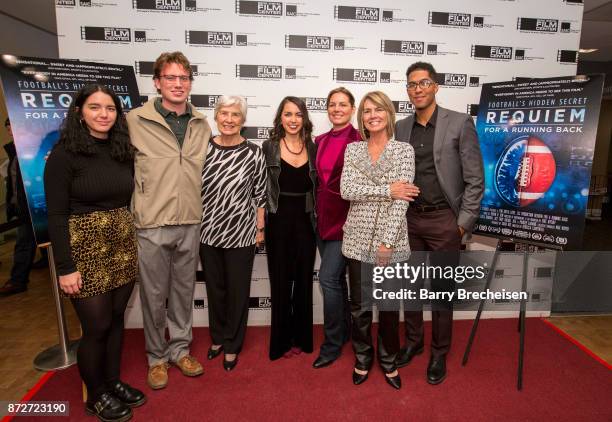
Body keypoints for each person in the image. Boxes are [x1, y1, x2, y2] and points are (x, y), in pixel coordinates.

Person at [44, 84, 145, 422]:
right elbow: (55, 216)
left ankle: (113, 382)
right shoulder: (63, 155)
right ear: (79, 112)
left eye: (110, 109)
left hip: (120, 242)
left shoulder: (121, 150)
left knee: (116, 321)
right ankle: (96, 395)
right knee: (97, 325)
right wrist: (65, 267)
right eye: (95, 107)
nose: (103, 114)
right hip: (83, 247)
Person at [395, 61, 484, 385]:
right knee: (411, 290)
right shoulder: (401, 127)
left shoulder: (460, 123)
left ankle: (439, 352)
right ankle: (414, 343)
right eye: (411, 85)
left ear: (435, 86)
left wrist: (460, 226)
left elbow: (476, 180)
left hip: (445, 221)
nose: (417, 89)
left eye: (423, 83)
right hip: (408, 221)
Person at [127, 51, 211, 389]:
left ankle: (180, 350)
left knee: (182, 291)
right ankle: (156, 358)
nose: (178, 84)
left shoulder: (201, 123)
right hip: (151, 222)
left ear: (190, 83)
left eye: (184, 78)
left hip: (190, 219)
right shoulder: (134, 120)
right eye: (171, 78)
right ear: (157, 82)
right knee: (153, 294)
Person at [340, 91, 415, 390]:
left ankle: (388, 360)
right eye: (367, 110)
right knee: (359, 307)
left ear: (388, 114)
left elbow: (403, 201)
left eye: (378, 110)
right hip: (355, 239)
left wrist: (387, 243)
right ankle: (362, 357)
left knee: (386, 307)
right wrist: (388, 189)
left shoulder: (404, 151)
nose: (372, 115)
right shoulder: (353, 150)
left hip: (391, 241)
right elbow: (347, 189)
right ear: (362, 117)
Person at [199, 95, 266, 371]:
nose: (228, 119)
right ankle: (217, 337)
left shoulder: (254, 152)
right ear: (216, 117)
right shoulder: (203, 148)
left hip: (241, 233)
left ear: (243, 120)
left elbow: (261, 194)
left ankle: (232, 344)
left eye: (235, 114)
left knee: (238, 291)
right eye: (224, 113)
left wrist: (259, 228)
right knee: (215, 289)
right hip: (207, 232)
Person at [263, 96, 317, 360]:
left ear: (304, 118)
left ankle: (302, 337)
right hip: (278, 220)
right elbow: (261, 190)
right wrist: (260, 226)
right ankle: (281, 341)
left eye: (298, 114)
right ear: (280, 118)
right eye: (288, 114)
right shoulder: (269, 147)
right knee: (281, 282)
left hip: (306, 221)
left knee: (305, 280)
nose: (293, 120)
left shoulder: (313, 147)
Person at [311, 87, 361, 369]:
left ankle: (331, 345)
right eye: (332, 104)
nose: (337, 109)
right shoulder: (319, 141)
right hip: (322, 220)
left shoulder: (361, 140)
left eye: (343, 104)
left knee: (328, 279)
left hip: (349, 223)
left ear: (352, 109)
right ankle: (344, 332)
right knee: (337, 281)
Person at [0, 118, 38, 296]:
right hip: (22, 205)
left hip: (33, 204)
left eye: (13, 128)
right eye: (8, 130)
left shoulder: (32, 148)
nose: (10, 133)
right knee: (25, 240)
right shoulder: (13, 151)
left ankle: (17, 280)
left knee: (24, 242)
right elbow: (13, 182)